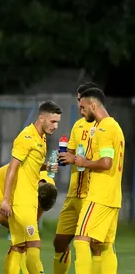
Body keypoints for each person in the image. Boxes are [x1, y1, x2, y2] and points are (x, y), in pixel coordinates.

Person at [0, 100, 62, 274]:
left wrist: (46, 167)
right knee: (34, 244)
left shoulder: (41, 138)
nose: (56, 126)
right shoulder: (26, 137)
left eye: (58, 122)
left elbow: (30, 166)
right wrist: (6, 199)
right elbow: (13, 167)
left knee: (18, 246)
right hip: (22, 201)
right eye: (53, 121)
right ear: (41, 118)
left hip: (30, 199)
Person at [72, 88, 124, 274]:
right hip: (114, 196)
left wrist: (84, 162)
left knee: (80, 239)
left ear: (93, 105)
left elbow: (106, 163)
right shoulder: (115, 127)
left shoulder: (102, 128)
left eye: (83, 107)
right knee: (104, 245)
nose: (81, 111)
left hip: (99, 195)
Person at [53, 82, 98, 273]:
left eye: (82, 101)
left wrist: (78, 159)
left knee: (92, 245)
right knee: (60, 242)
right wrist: (61, 157)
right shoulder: (78, 126)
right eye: (78, 101)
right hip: (73, 194)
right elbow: (70, 154)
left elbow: (105, 160)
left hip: (91, 195)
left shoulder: (104, 127)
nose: (79, 106)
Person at [0, 165, 58, 274]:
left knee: (26, 241)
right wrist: (17, 228)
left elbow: (32, 223)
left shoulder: (49, 187)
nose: (39, 210)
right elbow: (1, 218)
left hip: (15, 192)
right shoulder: (25, 188)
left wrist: (23, 233)